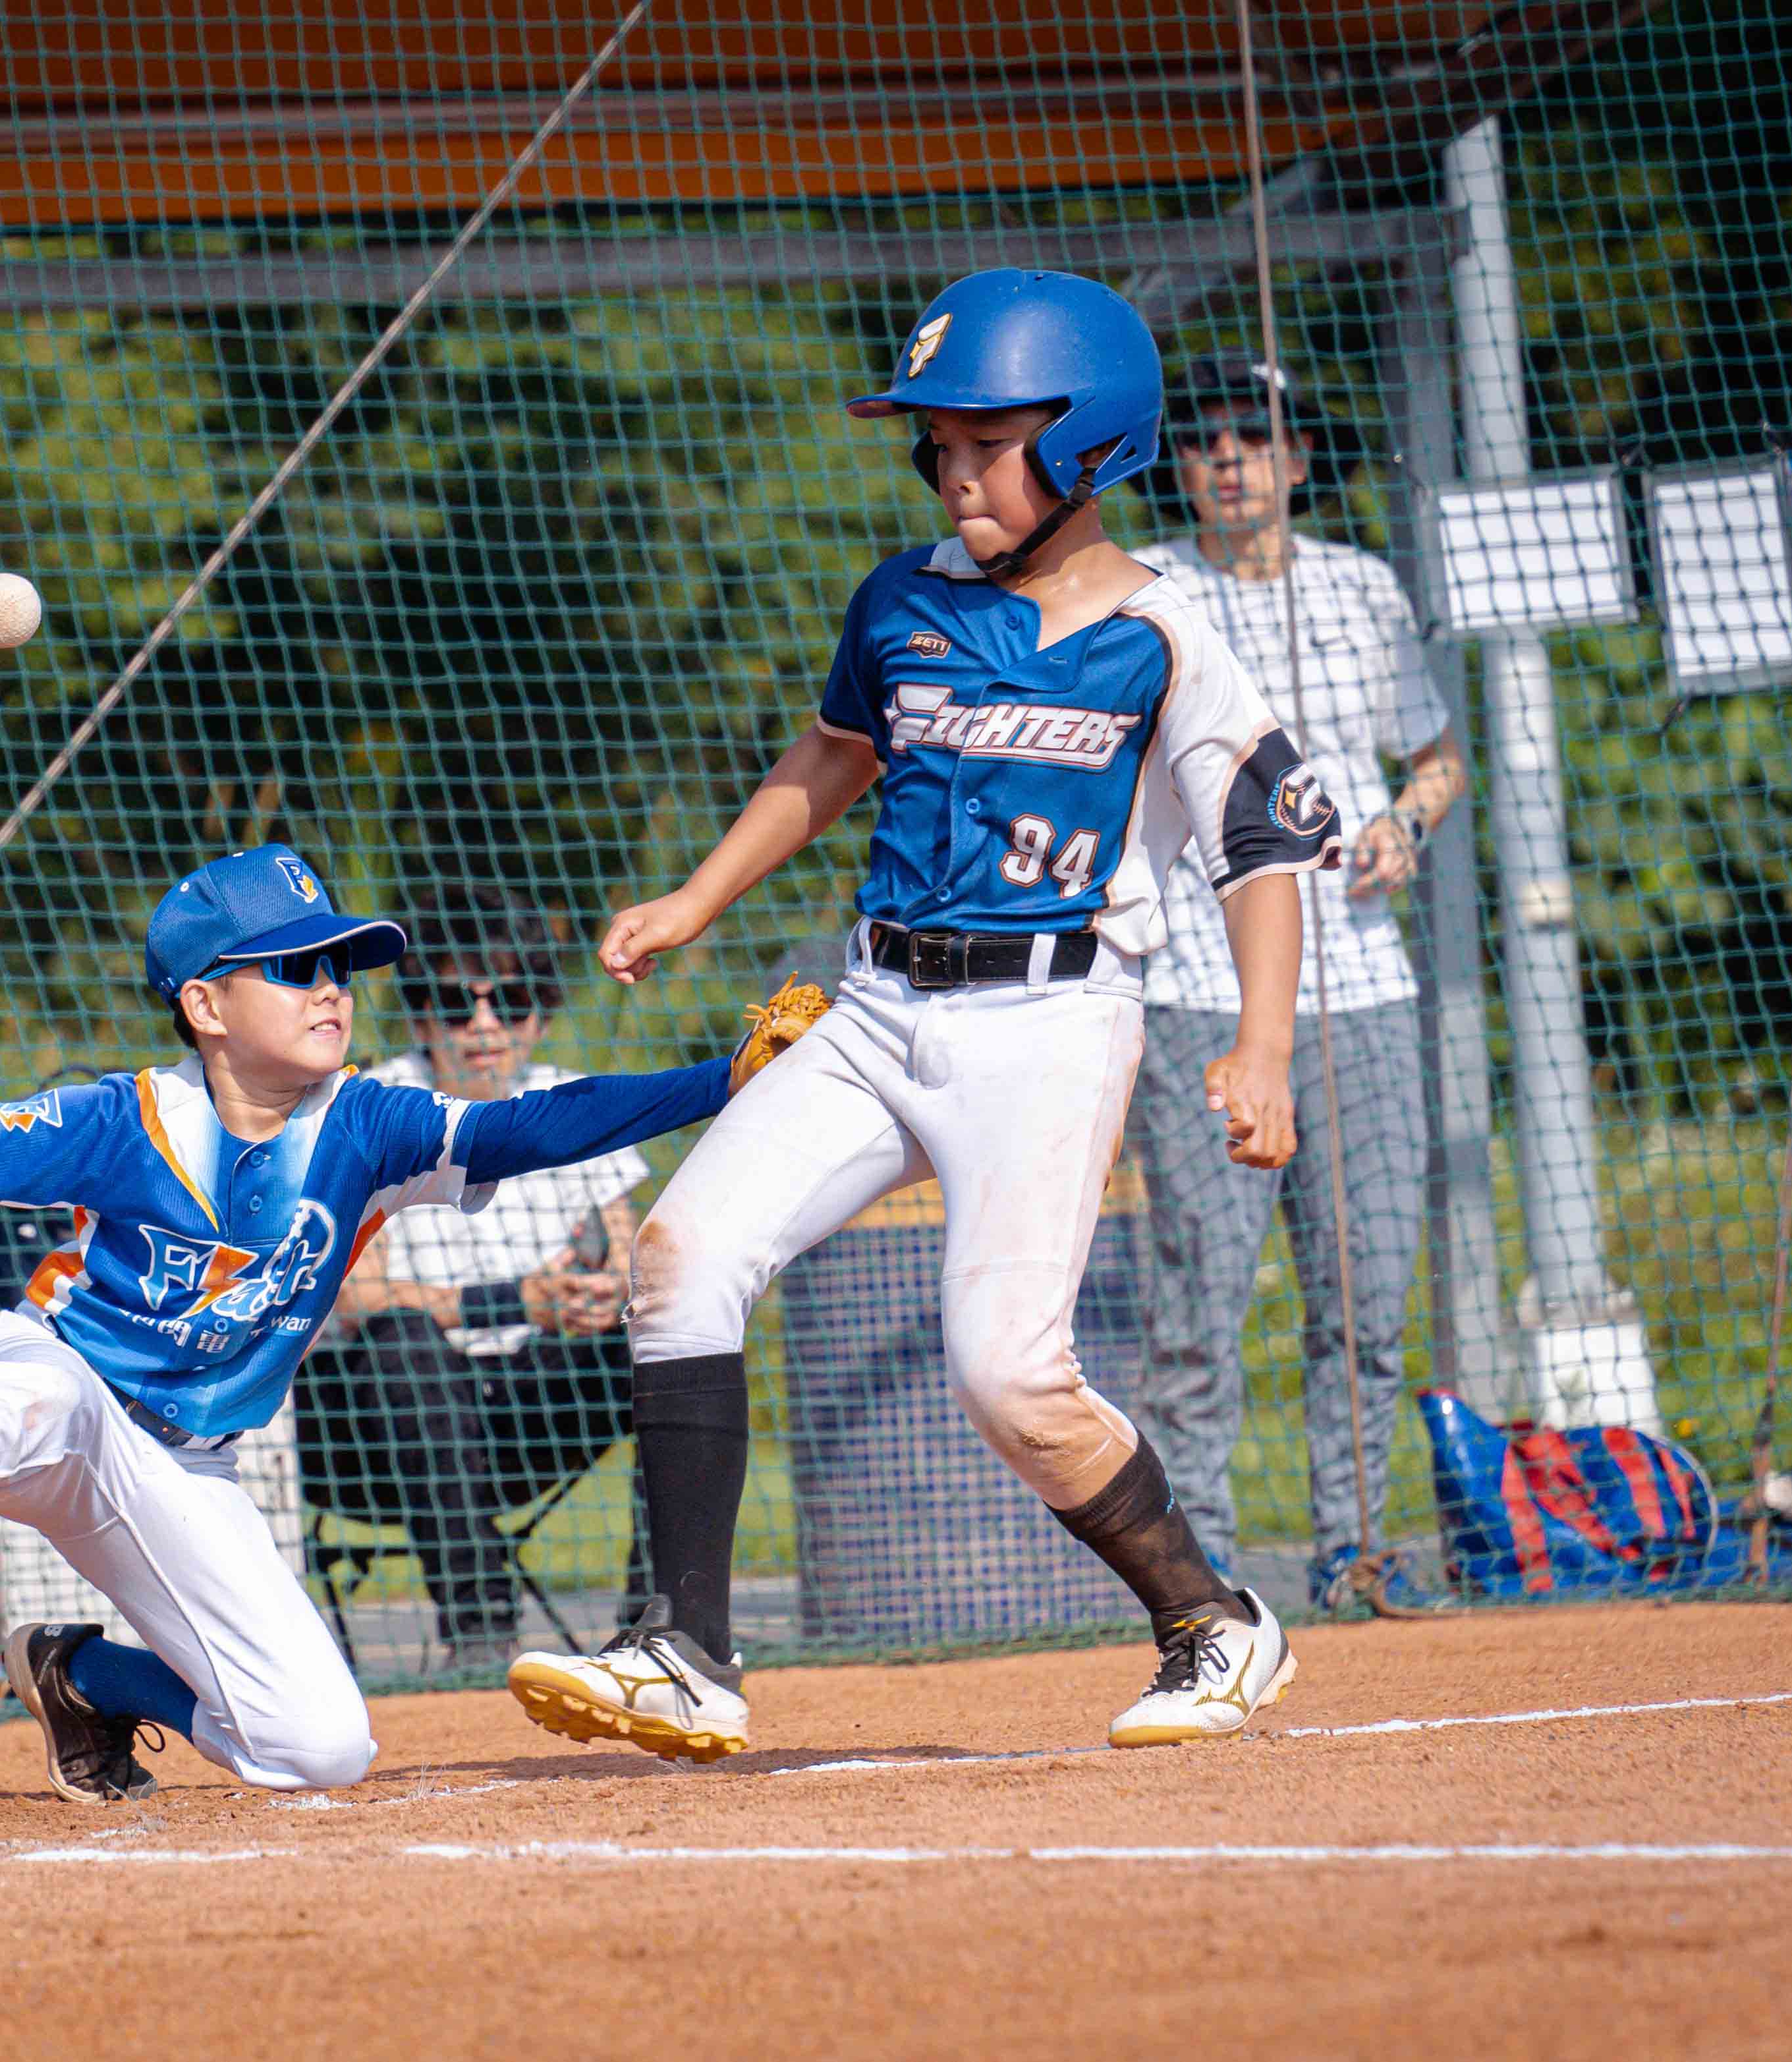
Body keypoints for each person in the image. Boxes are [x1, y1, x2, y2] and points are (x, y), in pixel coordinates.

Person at [506, 269, 1339, 1763]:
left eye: (987, 444)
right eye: (937, 445)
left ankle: (1211, 1619)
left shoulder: (1159, 634)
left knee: (1009, 1376)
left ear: (1088, 445)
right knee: (679, 1259)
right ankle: (684, 1652)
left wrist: (1261, 1046)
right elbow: (834, 756)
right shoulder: (902, 598)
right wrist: (696, 898)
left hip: (1050, 1022)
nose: (953, 471)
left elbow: (1261, 846)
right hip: (877, 1004)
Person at [0, 845, 766, 1801]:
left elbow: (542, 1124)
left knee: (319, 1748)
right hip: (59, 1396)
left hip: (184, 1466)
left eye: (339, 966)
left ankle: (82, 1675)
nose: (330, 987)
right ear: (204, 1003)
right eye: (293, 967)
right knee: (32, 1387)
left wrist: (724, 1077)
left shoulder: (371, 1126)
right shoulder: (123, 1119)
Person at [1129, 355, 1471, 1615]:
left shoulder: (1362, 587)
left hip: (1360, 987)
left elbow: (1435, 758)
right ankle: (1196, 1573)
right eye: (1202, 439)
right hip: (1197, 989)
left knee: (1366, 1291)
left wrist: (1403, 825)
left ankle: (1355, 1544)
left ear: (1298, 457)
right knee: (1199, 1299)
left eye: (1253, 435)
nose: (1227, 458)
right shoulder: (1147, 588)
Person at [306, 884, 651, 1673]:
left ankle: (656, 1630)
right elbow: (355, 1298)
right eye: (459, 1005)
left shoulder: (572, 1100)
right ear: (422, 1016)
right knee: (403, 1342)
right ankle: (478, 1633)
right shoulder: (365, 1107)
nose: (487, 1026)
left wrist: (602, 1297)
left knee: (664, 1336)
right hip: (375, 1432)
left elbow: (628, 1258)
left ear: (542, 1013)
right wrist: (515, 1300)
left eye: (513, 1001)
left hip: (528, 1417)